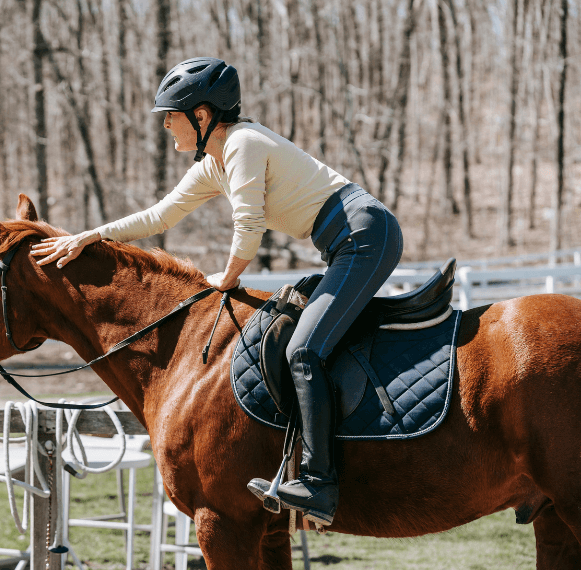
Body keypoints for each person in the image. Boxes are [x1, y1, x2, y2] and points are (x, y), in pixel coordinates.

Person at [30, 57, 403, 526]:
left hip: (365, 236)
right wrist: (91, 236)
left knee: (305, 350)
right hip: (347, 242)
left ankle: (319, 482)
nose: (166, 124)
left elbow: (249, 223)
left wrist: (226, 280)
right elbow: (159, 217)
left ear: (202, 117)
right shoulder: (214, 162)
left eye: (172, 114)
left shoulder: (243, 143)